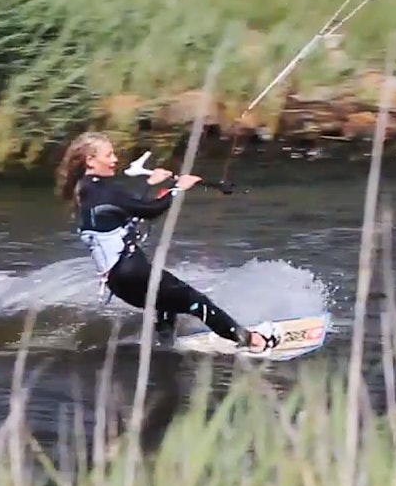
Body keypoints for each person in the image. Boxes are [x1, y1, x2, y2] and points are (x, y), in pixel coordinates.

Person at [55, 131, 278, 352]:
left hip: (117, 281)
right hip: (133, 271)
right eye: (109, 155)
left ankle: (165, 346)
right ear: (90, 160)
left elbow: (129, 210)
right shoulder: (104, 192)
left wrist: (151, 185)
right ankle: (254, 341)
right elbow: (151, 210)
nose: (115, 160)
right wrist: (177, 188)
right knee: (197, 302)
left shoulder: (85, 191)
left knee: (165, 302)